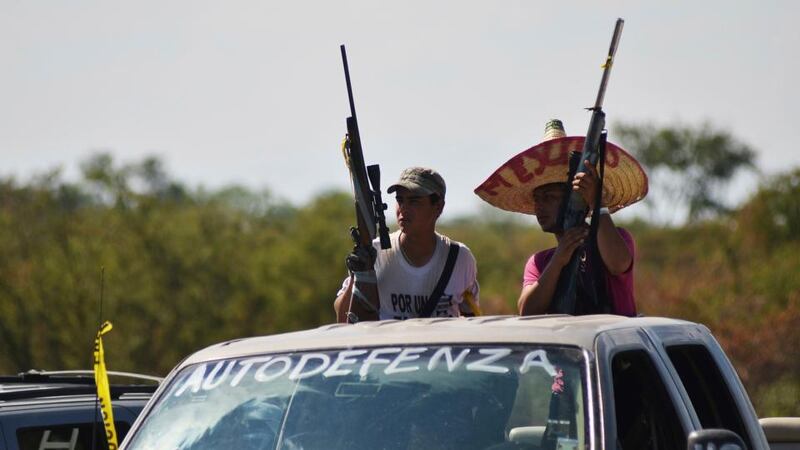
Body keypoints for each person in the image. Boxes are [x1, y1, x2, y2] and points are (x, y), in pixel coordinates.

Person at [474, 120, 648, 316]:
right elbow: (527, 311)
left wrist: (598, 204)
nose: (539, 207)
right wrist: (559, 260)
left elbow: (618, 264)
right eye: (537, 199)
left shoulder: (617, 239)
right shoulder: (541, 262)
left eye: (549, 198)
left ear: (575, 199)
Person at [334, 167, 481, 322]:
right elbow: (342, 317)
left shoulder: (460, 258)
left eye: (414, 201)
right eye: (400, 200)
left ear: (438, 206)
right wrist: (357, 276)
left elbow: (472, 318)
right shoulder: (374, 253)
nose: (403, 208)